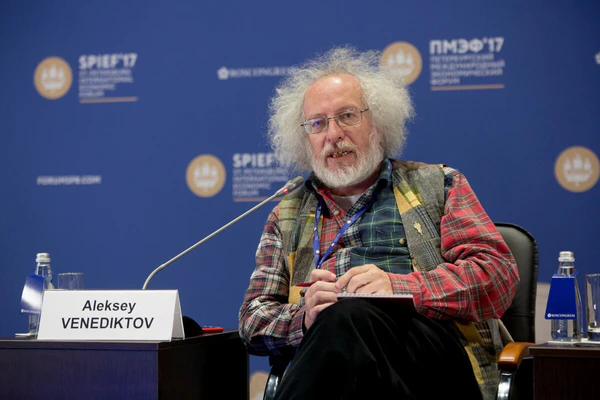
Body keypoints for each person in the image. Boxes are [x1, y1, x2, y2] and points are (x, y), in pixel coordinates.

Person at [238, 46, 519, 400]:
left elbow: (497, 274)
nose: (333, 134)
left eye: (347, 116)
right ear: (305, 139)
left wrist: (400, 288)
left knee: (347, 317)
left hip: (431, 363)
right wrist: (304, 318)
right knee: (338, 323)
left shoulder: (439, 185)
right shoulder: (287, 214)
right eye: (318, 123)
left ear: (378, 125)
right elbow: (253, 319)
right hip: (339, 371)